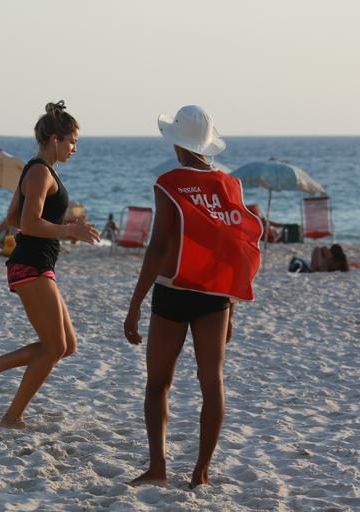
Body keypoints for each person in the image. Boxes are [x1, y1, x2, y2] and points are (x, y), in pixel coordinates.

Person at [123, 105, 262, 488]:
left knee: (158, 383)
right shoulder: (230, 184)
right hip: (216, 294)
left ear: (175, 142)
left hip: (173, 291)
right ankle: (201, 473)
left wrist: (135, 304)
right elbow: (232, 246)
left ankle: (158, 470)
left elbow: (159, 246)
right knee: (212, 381)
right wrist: (231, 306)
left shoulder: (169, 182)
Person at [0, 101, 100, 429]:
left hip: (38, 263)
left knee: (66, 345)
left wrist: (61, 228)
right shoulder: (41, 172)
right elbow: (28, 224)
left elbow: (12, 217)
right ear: (55, 138)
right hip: (31, 266)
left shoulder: (36, 170)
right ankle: (12, 415)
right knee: (55, 346)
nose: (74, 148)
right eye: (72, 141)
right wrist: (69, 230)